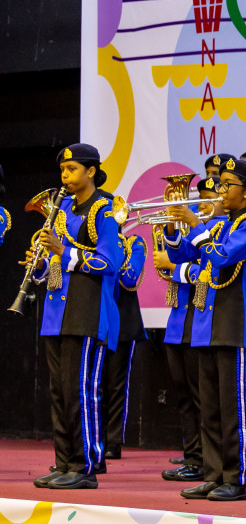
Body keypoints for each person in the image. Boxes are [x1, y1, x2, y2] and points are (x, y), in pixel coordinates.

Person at [156, 156, 246, 502]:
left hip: (231, 321)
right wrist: (174, 229)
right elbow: (179, 257)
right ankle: (213, 473)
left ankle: (236, 479)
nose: (219, 191)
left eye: (227, 186)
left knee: (230, 406)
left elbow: (220, 257)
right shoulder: (218, 225)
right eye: (219, 184)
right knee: (209, 405)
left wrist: (196, 223)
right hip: (205, 323)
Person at [31, 144, 123, 491]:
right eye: (62, 170)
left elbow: (110, 262)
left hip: (87, 310)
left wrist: (63, 252)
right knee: (60, 392)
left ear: (90, 171)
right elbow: (56, 262)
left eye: (71, 169)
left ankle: (84, 466)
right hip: (57, 312)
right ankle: (65, 461)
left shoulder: (105, 209)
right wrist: (40, 263)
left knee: (80, 391)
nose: (64, 176)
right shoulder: (62, 208)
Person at [158, 176, 219, 483]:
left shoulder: (219, 231)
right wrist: (171, 225)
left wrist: (174, 268)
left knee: (201, 397)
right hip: (178, 321)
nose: (203, 204)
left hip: (202, 318)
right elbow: (178, 255)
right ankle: (193, 457)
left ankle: (207, 460)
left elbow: (210, 269)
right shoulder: (199, 230)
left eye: (210, 198)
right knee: (183, 395)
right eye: (201, 198)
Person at [101, 227, 147, 459]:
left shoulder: (133, 243)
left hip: (123, 322)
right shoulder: (94, 244)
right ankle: (94, 437)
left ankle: (113, 441)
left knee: (116, 384)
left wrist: (113, 248)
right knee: (93, 383)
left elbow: (129, 277)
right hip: (97, 318)